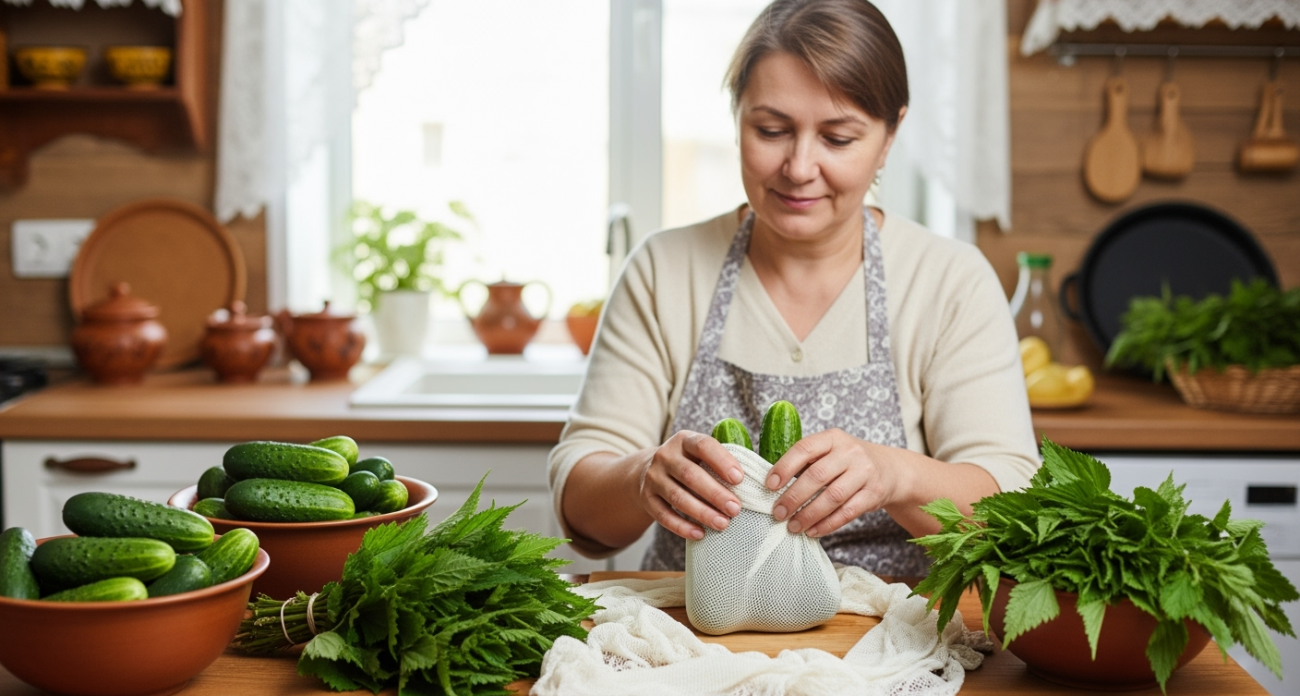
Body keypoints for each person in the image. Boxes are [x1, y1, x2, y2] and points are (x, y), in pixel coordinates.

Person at [549, 0, 1039, 575]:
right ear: (736, 121)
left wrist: (897, 475)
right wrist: (641, 478)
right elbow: (582, 515)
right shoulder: (663, 269)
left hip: (895, 642)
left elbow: (1014, 511)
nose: (800, 167)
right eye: (772, 130)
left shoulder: (950, 280)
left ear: (889, 137)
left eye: (837, 138)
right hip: (689, 638)